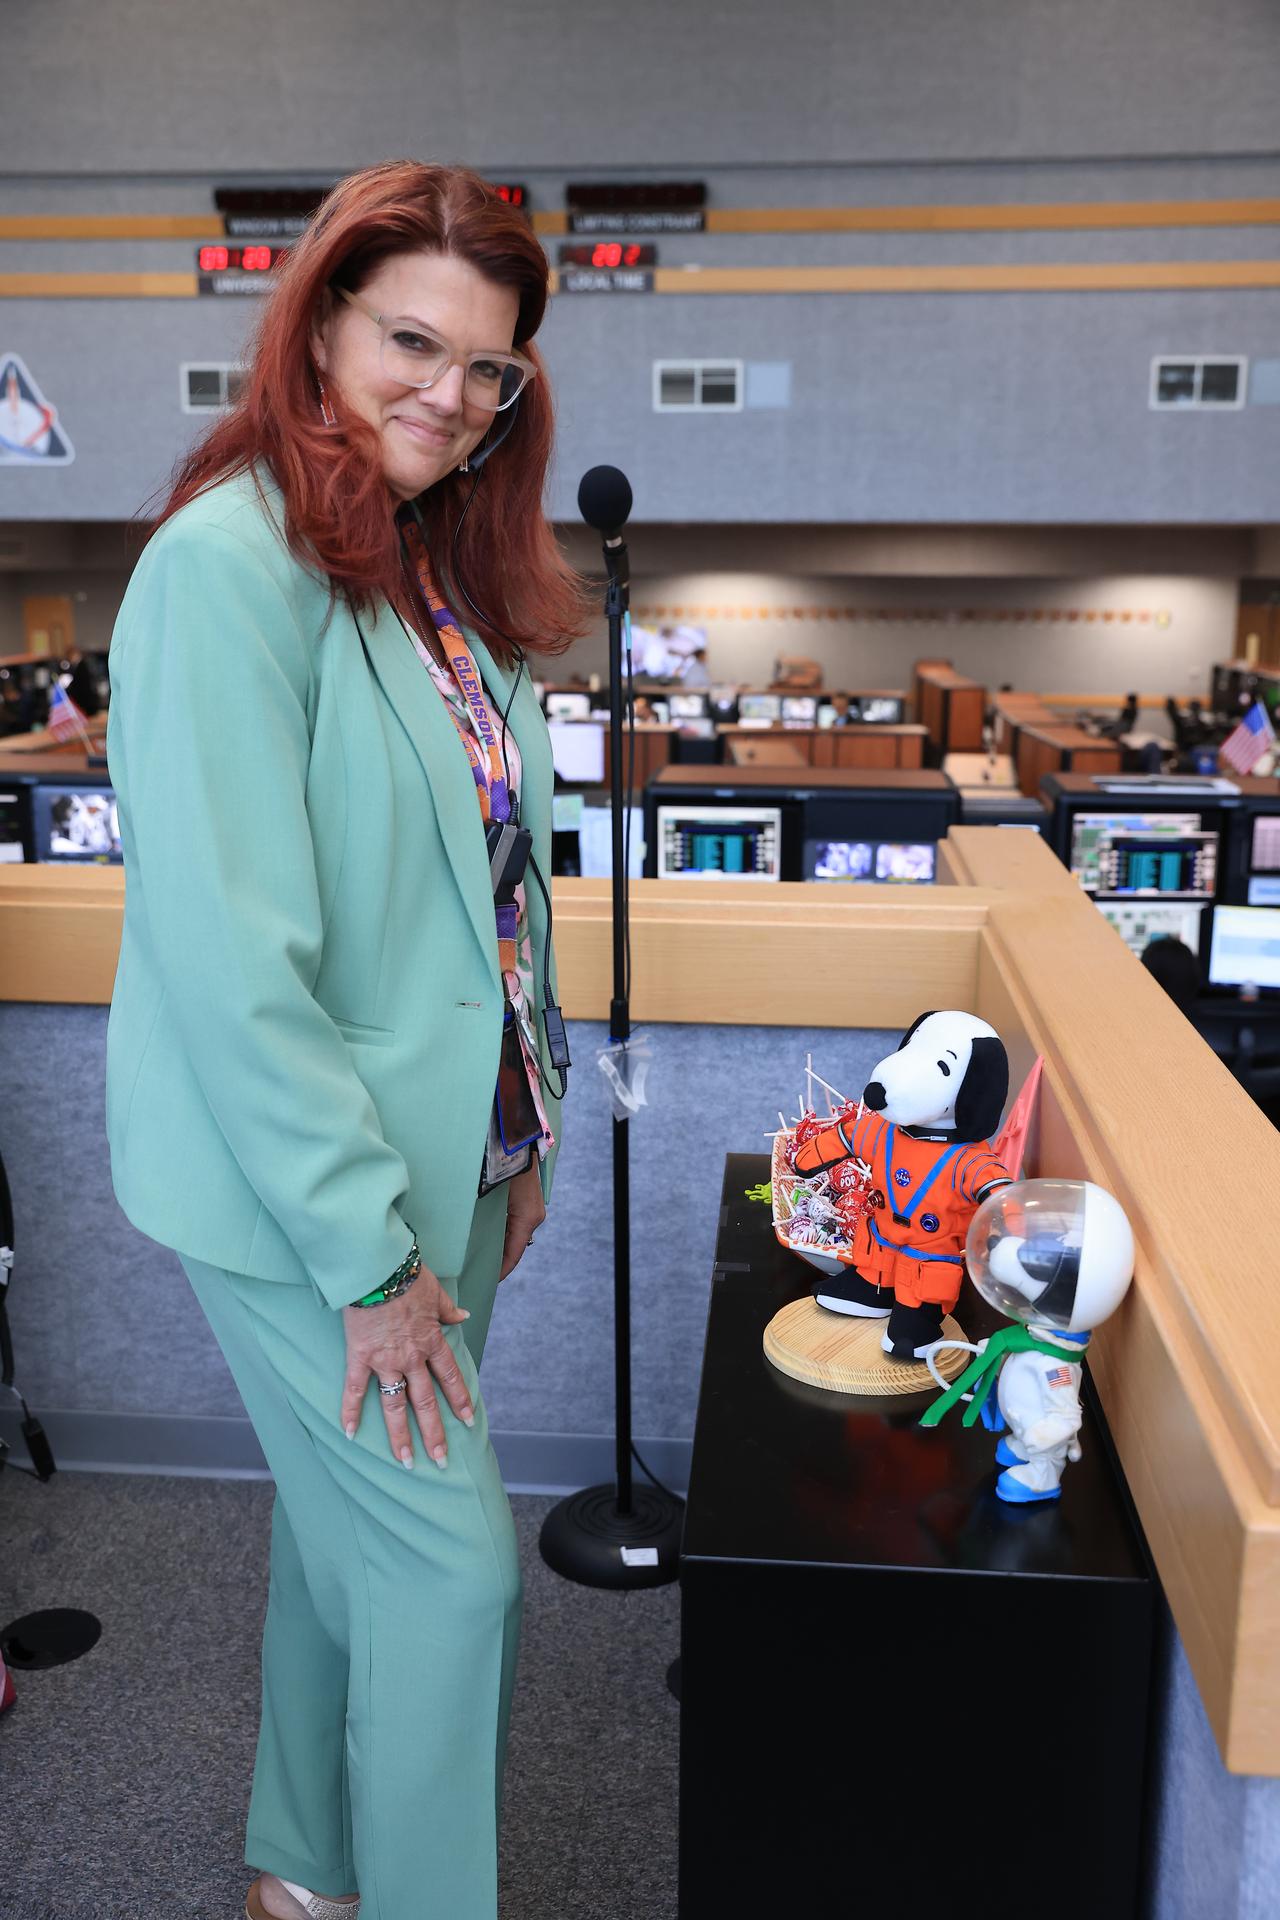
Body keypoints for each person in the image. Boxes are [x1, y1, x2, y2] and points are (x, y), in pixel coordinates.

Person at [104, 162, 588, 1920]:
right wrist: (375, 1262)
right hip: (315, 1198)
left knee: (353, 1538)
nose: (446, 395)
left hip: (448, 1150)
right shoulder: (224, 571)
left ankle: (299, 1874)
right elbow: (236, 968)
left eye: (488, 370)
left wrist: (522, 1133)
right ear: (315, 327)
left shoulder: (433, 572)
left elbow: (502, 885)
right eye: (410, 340)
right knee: (455, 1579)